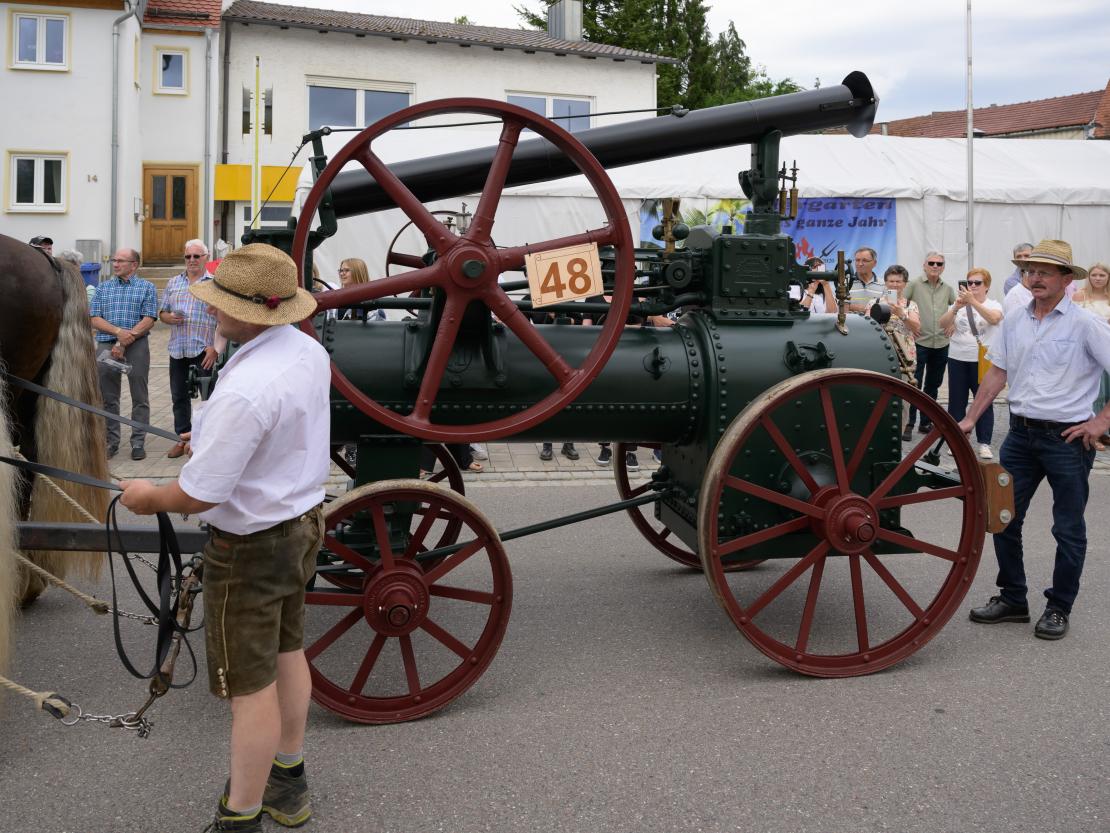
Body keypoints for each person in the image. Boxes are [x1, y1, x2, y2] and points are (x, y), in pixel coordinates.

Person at [119, 243, 329, 831]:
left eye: (219, 303)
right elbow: (271, 433)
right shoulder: (304, 349)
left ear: (254, 311)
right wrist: (209, 437)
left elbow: (196, 497)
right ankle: (288, 780)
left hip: (252, 546)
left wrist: (146, 497)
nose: (209, 310)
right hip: (300, 523)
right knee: (289, 651)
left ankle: (240, 816)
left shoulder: (246, 387)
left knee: (249, 688)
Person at [959, 240, 1110, 641]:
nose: (1035, 278)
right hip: (1020, 435)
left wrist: (1099, 423)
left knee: (1067, 529)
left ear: (1066, 280)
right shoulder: (1015, 320)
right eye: (1030, 271)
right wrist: (971, 419)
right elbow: (997, 374)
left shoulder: (1086, 323)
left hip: (1066, 438)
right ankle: (1013, 599)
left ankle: (1059, 607)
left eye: (1045, 271)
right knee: (1002, 518)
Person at [89, 248, 158, 460]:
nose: (115, 264)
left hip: (136, 345)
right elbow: (94, 318)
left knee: (140, 396)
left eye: (120, 261)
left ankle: (138, 442)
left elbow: (149, 318)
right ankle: (111, 442)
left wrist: (125, 340)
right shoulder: (103, 288)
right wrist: (118, 333)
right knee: (108, 398)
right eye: (114, 260)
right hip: (106, 347)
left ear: (134, 265)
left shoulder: (147, 287)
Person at [159, 239, 219, 458]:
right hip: (178, 349)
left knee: (208, 397)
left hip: (205, 349)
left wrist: (215, 348)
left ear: (206, 257)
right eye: (188, 257)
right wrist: (169, 318)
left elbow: (223, 319)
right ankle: (183, 438)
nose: (192, 260)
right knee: (179, 397)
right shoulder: (174, 282)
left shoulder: (215, 284)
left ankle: (208, 442)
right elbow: (162, 312)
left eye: (196, 256)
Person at [938, 268, 1003, 459]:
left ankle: (984, 443)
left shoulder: (994, 304)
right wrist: (956, 308)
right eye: (970, 282)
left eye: (977, 283)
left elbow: (994, 319)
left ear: (987, 286)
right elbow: (942, 324)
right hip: (958, 356)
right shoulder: (959, 304)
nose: (972, 286)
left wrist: (972, 301)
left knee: (983, 401)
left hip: (983, 360)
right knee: (956, 401)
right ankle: (959, 441)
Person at [903, 251, 956, 437]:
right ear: (924, 265)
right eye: (931, 263)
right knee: (913, 384)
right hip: (919, 341)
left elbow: (958, 308)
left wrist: (954, 321)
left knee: (933, 385)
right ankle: (908, 424)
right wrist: (910, 323)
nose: (935, 266)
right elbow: (902, 304)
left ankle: (925, 423)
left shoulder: (948, 288)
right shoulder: (913, 285)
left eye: (939, 264)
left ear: (943, 267)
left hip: (941, 343)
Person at [1073, 262, 1110, 417]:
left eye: (1102, 275)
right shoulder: (1080, 295)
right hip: (1087, 348)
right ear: (1088, 277)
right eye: (1094, 275)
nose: (1098, 278)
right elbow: (1073, 321)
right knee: (1092, 389)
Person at [847, 247, 882, 312]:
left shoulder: (884, 284)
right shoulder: (845, 282)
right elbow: (838, 306)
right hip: (851, 322)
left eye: (865, 260)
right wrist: (861, 308)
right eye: (857, 260)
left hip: (876, 322)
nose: (860, 264)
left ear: (874, 263)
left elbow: (889, 307)